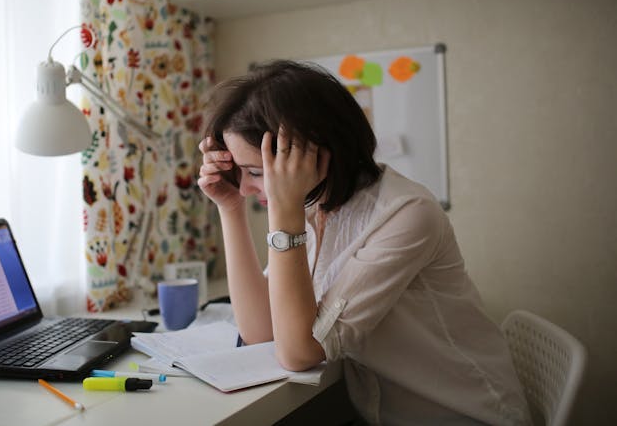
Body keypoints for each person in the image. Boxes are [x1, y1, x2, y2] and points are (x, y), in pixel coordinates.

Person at [197, 60, 531, 425]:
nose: (245, 188)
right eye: (240, 173)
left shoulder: (405, 213)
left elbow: (298, 353)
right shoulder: (316, 208)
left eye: (256, 173)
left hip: (466, 415)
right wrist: (230, 210)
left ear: (313, 153)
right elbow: (262, 333)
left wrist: (284, 208)